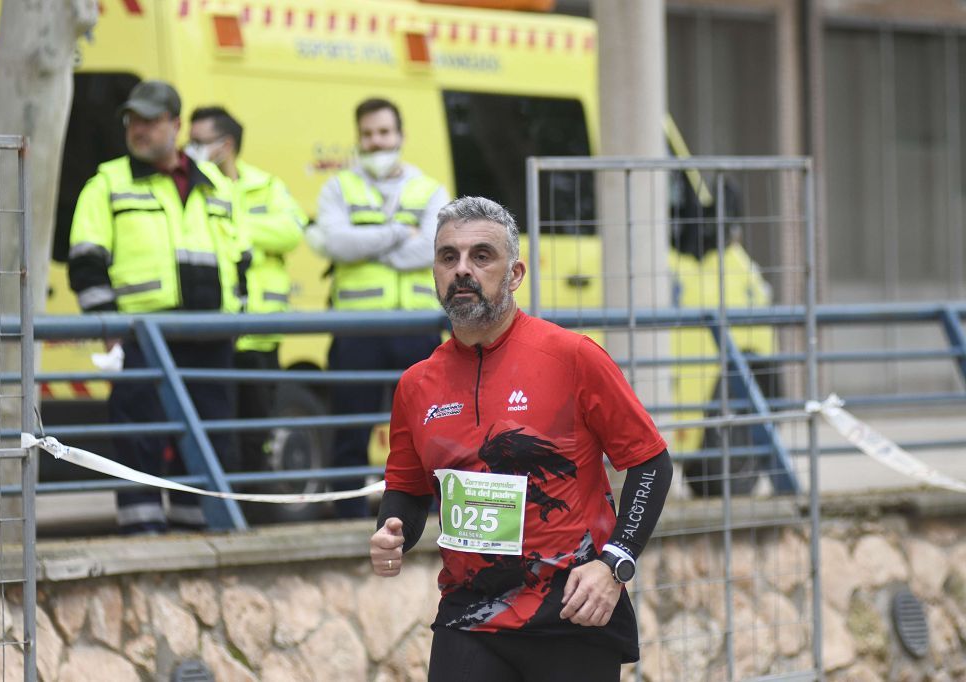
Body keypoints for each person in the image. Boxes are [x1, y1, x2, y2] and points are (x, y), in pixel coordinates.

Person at [369, 197, 673, 681]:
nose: (462, 270)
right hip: (469, 616)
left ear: (514, 273)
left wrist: (615, 563)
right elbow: (407, 490)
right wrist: (392, 534)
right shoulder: (417, 384)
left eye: (481, 256)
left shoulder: (573, 357)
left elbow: (651, 463)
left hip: (571, 612)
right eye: (449, 257)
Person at [68, 80, 250, 534]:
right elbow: (86, 264)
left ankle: (200, 532)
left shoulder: (215, 187)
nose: (139, 129)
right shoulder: (108, 182)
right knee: (139, 438)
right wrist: (111, 329)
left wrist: (236, 321)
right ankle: (142, 535)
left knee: (209, 440)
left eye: (150, 120)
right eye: (133, 120)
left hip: (210, 337)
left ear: (176, 124)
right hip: (141, 335)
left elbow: (239, 261)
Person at [306, 97, 451, 518]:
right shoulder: (338, 186)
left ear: (401, 136)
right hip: (357, 330)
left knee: (433, 428)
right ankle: (347, 515)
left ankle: (441, 514)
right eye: (368, 133)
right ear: (358, 138)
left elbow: (432, 248)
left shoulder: (429, 187)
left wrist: (364, 245)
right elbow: (333, 242)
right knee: (349, 428)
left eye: (384, 132)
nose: (376, 141)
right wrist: (394, 235)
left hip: (417, 327)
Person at [188, 106, 308, 472]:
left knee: (257, 431)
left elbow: (291, 230)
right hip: (216, 330)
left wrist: (235, 227)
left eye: (198, 141)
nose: (189, 148)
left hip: (260, 333)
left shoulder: (265, 184)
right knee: (216, 430)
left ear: (225, 145)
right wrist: (251, 231)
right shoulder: (194, 184)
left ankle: (255, 511)